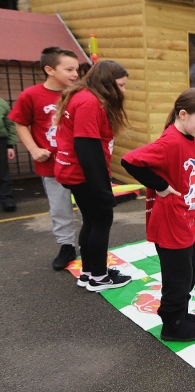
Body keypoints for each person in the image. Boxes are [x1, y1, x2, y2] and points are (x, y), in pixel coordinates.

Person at [121, 88, 195, 342]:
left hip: (186, 220)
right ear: (183, 114)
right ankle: (172, 324)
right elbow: (130, 160)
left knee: (189, 273)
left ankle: (182, 314)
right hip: (171, 223)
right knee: (177, 279)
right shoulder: (170, 141)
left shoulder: (189, 135)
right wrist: (161, 187)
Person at [54, 60, 132, 292]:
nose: (123, 91)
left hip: (73, 170)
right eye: (121, 85)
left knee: (91, 220)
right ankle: (98, 277)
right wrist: (103, 189)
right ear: (107, 83)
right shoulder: (89, 102)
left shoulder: (82, 95)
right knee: (101, 220)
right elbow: (87, 149)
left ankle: (89, 272)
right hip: (82, 173)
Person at [9, 47, 80, 269]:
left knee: (91, 209)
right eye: (69, 69)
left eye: (77, 69)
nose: (75, 74)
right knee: (60, 209)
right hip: (51, 166)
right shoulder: (30, 95)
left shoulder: (78, 93)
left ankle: (90, 246)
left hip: (80, 164)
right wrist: (33, 149)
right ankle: (66, 246)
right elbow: (20, 123)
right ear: (49, 69)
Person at [0, 98, 18, 212]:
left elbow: (9, 124)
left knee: (2, 172)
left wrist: (9, 146)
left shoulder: (1, 103)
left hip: (1, 140)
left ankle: (7, 200)